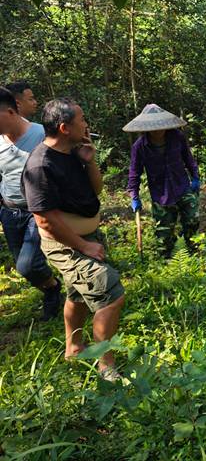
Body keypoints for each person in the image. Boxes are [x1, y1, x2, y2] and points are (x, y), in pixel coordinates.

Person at [22, 99, 125, 380]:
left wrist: (89, 162)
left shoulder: (72, 152)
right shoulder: (40, 166)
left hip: (85, 236)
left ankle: (74, 347)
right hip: (67, 244)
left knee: (78, 294)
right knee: (109, 293)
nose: (86, 124)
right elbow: (45, 219)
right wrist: (83, 245)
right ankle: (106, 366)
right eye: (81, 120)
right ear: (65, 127)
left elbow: (96, 189)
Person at [0, 87, 62, 320]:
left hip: (38, 211)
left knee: (28, 265)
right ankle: (51, 288)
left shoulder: (41, 135)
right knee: (22, 266)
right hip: (9, 211)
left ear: (10, 112)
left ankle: (54, 287)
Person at [124, 104, 201, 258]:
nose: (158, 130)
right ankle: (166, 261)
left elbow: (188, 157)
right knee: (164, 233)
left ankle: (194, 253)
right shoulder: (139, 147)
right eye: (153, 127)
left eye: (161, 126)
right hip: (161, 194)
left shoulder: (177, 137)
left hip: (182, 186)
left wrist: (195, 177)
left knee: (192, 221)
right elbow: (134, 172)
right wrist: (134, 195)